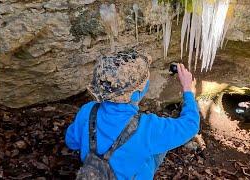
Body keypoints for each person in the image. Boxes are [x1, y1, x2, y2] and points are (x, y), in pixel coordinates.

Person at [65, 49, 200, 179]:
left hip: (94, 173)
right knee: (159, 145)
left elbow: (71, 142)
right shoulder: (148, 128)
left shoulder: (88, 110)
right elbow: (190, 125)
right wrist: (188, 90)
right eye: (145, 78)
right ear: (137, 93)